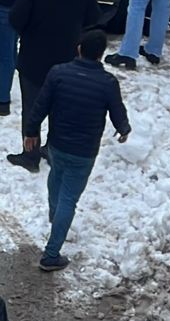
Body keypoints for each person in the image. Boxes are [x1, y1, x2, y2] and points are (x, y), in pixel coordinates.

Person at [31, 27, 130, 270]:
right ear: (101, 54)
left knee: (55, 178)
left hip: (56, 143)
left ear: (79, 49)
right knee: (69, 198)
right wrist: (124, 129)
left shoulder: (58, 74)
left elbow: (41, 104)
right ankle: (51, 254)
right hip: (84, 152)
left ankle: (56, 217)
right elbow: (118, 113)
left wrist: (31, 130)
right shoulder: (108, 83)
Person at [7, 0, 99, 171]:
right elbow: (93, 19)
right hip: (68, 56)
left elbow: (16, 19)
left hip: (34, 57)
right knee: (60, 107)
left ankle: (30, 154)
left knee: (31, 107)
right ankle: (52, 148)